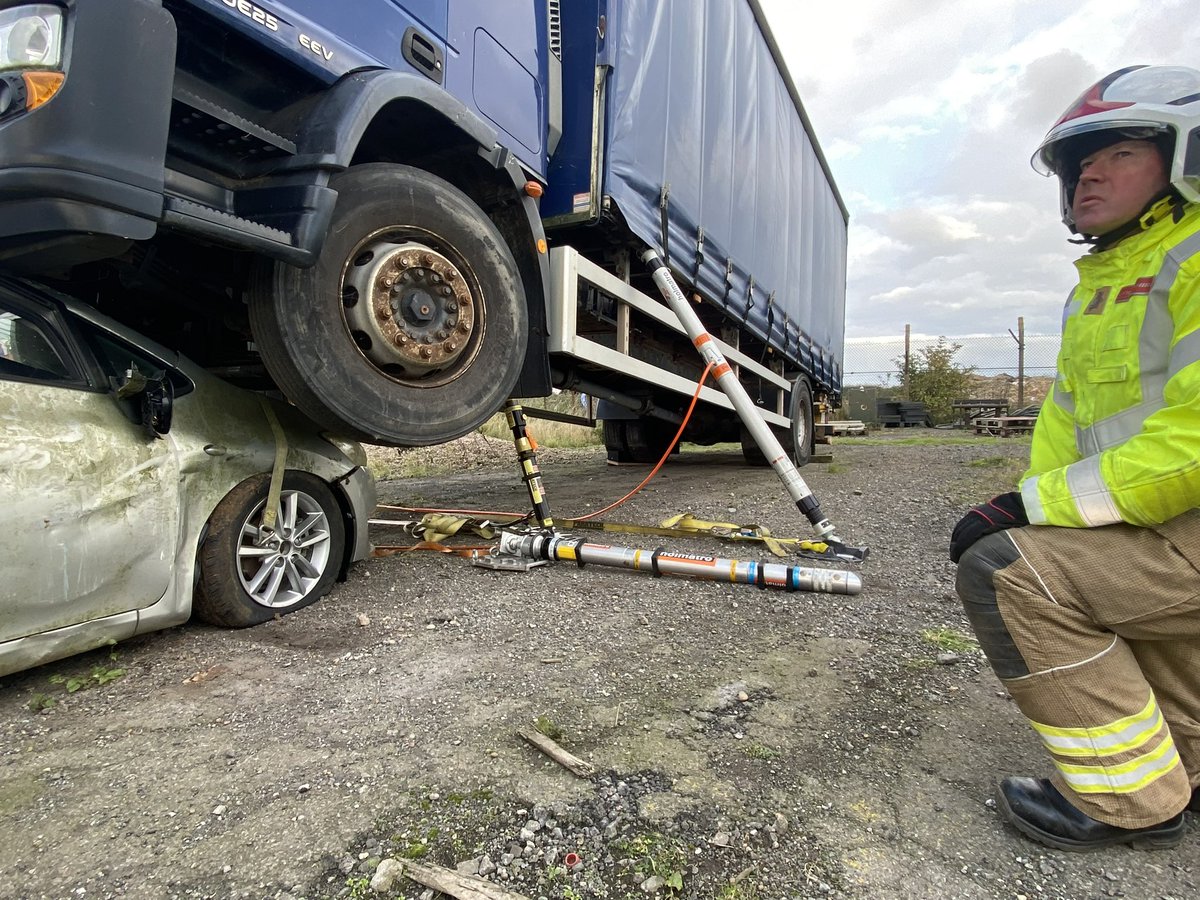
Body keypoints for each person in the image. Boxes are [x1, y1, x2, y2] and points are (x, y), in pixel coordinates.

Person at [951, 65, 1200, 852]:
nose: (1089, 173)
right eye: (1081, 161)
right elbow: (1066, 429)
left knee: (1007, 572)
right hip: (1176, 522)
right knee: (1098, 568)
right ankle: (1187, 768)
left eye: (1120, 152)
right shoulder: (1107, 284)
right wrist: (1041, 509)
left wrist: (1029, 514)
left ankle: (1131, 800)